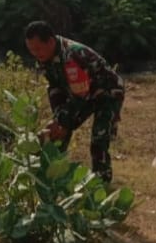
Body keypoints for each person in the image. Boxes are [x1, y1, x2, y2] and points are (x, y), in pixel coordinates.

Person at [24, 20, 125, 183]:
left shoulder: (71, 56)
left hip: (107, 92)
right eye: (31, 50)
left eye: (37, 49)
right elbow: (55, 88)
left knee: (99, 138)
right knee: (60, 129)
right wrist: (58, 118)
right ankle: (53, 177)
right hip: (81, 92)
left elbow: (80, 96)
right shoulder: (45, 57)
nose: (35, 54)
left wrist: (62, 120)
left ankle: (101, 183)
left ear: (50, 41)